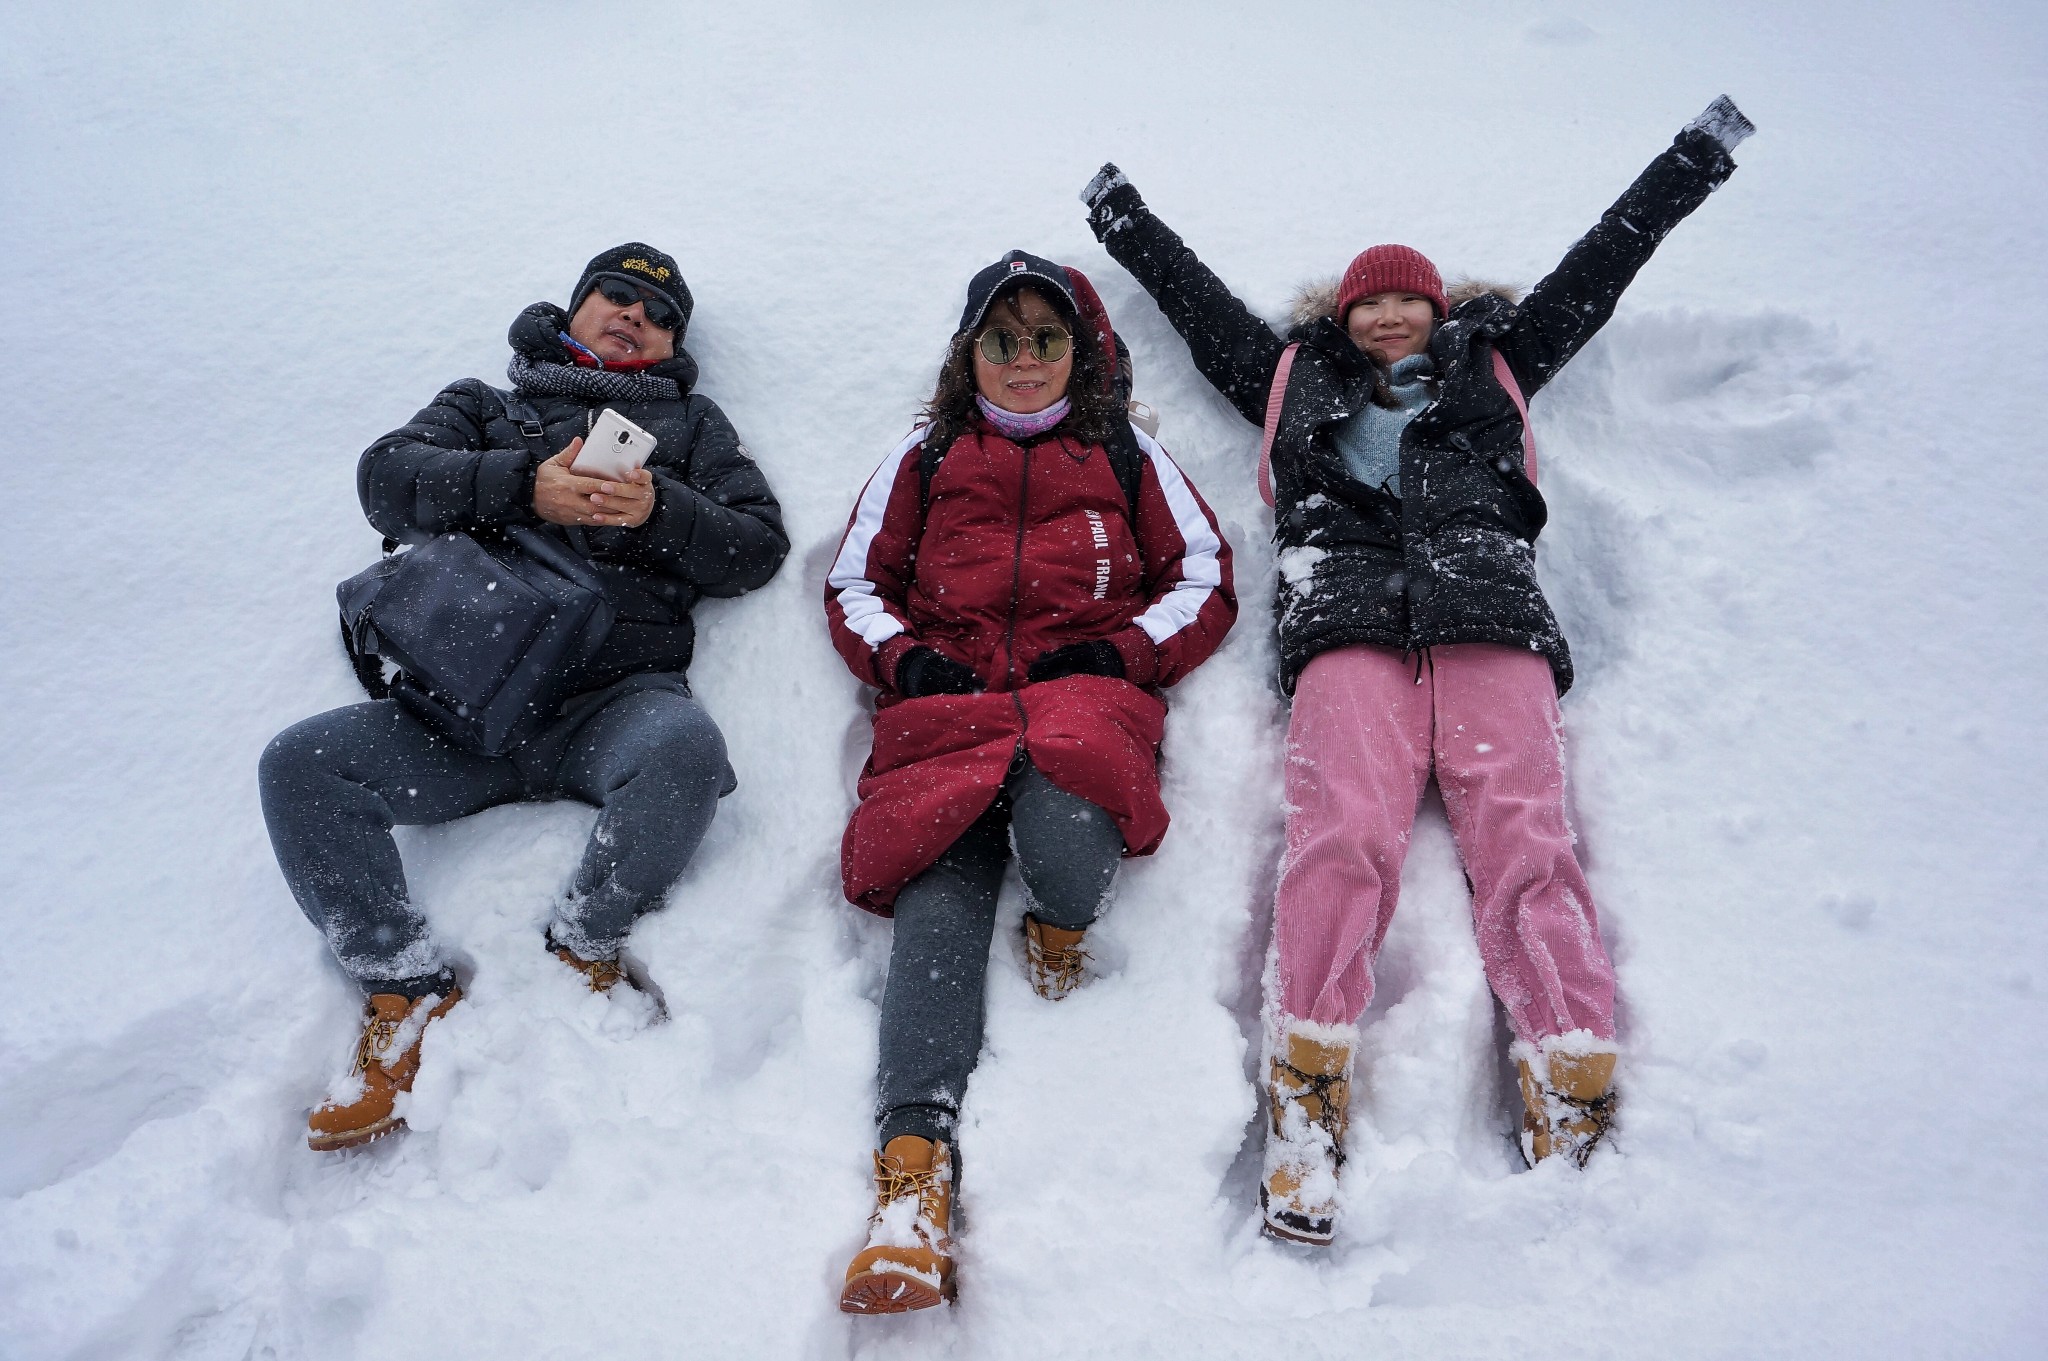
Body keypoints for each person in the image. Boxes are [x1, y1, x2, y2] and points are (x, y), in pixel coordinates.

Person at [1081, 97, 1756, 1242]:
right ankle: (1305, 1089)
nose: (1390, 313)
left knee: (1529, 847)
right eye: (1369, 299)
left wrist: (1690, 162)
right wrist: (1122, 219)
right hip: (1344, 621)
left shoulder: (1494, 367)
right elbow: (1195, 308)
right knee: (1339, 836)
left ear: (1437, 309)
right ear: (1341, 314)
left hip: (1489, 616)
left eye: (1408, 297)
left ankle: (1569, 1072)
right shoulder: (1290, 378)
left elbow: (1605, 260)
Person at [260, 242, 787, 1152]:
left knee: (686, 754)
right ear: (574, 306)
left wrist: (659, 509)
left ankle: (586, 939)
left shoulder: (695, 429)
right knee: (300, 765)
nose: (634, 315)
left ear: (670, 349)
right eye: (615, 295)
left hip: (613, 707)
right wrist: (520, 487)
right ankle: (403, 986)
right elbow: (384, 480)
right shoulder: (486, 406)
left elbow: (757, 547)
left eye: (659, 315)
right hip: (458, 715)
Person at [823, 250, 1236, 1311]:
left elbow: (1204, 575)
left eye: (1043, 337)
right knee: (937, 901)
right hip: (947, 706)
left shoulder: (1125, 451)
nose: (1021, 359)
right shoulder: (923, 455)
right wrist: (906, 660)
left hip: (1079, 697)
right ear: (969, 353)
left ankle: (1059, 920)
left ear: (1077, 352)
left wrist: (1119, 654)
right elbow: (854, 579)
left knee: (1065, 852)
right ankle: (911, 1176)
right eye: (999, 339)